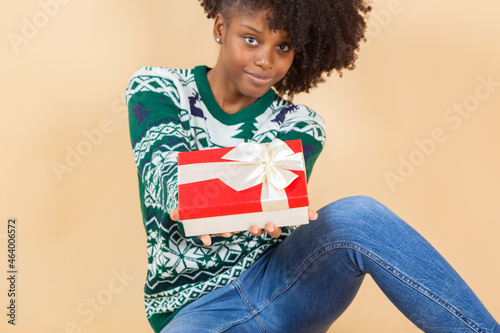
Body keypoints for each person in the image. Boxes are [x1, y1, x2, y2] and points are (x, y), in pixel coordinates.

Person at [125, 0, 500, 332]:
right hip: (197, 311)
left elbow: (272, 199)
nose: (266, 60)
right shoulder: (159, 88)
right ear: (221, 28)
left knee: (356, 215)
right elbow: (166, 173)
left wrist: (216, 200)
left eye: (283, 46)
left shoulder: (301, 125)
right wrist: (224, 197)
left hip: (286, 288)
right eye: (251, 39)